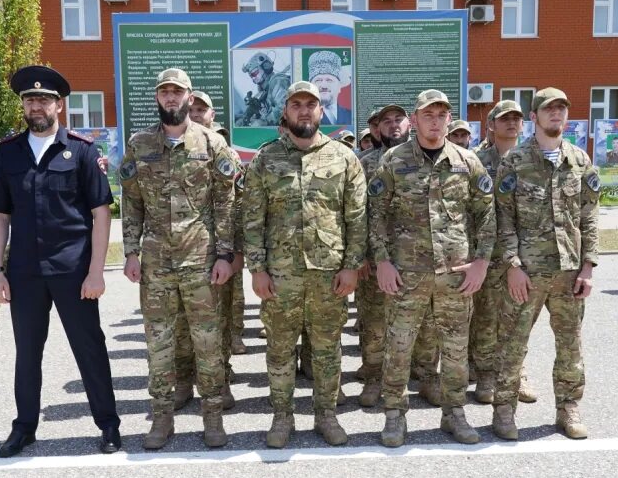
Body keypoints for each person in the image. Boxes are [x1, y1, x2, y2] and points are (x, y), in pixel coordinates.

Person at [0, 65, 121, 457]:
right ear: (24, 107)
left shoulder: (81, 150)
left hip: (73, 270)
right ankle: (24, 427)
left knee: (89, 348)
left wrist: (96, 271)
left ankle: (109, 425)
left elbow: (100, 213)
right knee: (27, 352)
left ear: (59, 105)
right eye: (30, 100)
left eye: (44, 99)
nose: (36, 106)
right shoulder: (9, 153)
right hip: (25, 273)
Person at [243, 81, 367, 448]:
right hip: (280, 276)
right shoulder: (267, 160)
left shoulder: (344, 158)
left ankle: (326, 415)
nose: (304, 110)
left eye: (310, 104)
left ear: (321, 111)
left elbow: (356, 217)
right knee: (280, 348)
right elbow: (252, 219)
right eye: (296, 104)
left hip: (329, 275)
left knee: (327, 349)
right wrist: (257, 269)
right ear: (285, 112)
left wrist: (352, 267)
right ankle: (282, 418)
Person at [369, 89, 495, 447]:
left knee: (455, 349)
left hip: (456, 275)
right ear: (415, 118)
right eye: (428, 115)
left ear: (448, 119)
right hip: (406, 275)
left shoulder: (467, 161)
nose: (435, 121)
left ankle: (454, 413)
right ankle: (395, 416)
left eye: (441, 115)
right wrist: (381, 261)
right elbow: (375, 215)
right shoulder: (394, 161)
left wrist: (481, 263)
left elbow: (486, 214)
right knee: (399, 347)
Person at [119, 69, 237, 449]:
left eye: (178, 92)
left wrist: (225, 255)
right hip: (155, 264)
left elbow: (226, 203)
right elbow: (132, 203)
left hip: (201, 262)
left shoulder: (212, 144)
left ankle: (213, 418)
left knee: (208, 342)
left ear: (189, 97)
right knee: (159, 344)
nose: (171, 98)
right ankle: (161, 419)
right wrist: (131, 252)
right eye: (165, 92)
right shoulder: (139, 145)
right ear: (158, 98)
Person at [491, 88, 599, 441]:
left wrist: (588, 267)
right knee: (512, 343)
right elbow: (501, 218)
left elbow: (589, 217)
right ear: (534, 117)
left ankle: (568, 408)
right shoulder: (515, 162)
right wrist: (512, 265)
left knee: (570, 344)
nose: (556, 114)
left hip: (569, 272)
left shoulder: (580, 161)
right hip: (527, 273)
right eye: (549, 109)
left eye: (561, 109)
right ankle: (504, 411)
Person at [356, 103, 442, 409]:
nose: (393, 125)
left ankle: (427, 376)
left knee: (427, 324)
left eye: (398, 119)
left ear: (410, 123)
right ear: (377, 129)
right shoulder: (364, 163)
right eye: (385, 122)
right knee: (375, 323)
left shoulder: (428, 159)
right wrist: (363, 256)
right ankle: (374, 378)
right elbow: (358, 214)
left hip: (420, 261)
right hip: (379, 260)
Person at [173, 88, 241, 413]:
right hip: (180, 256)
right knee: (180, 325)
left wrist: (232, 252)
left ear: (212, 115)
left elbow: (236, 204)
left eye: (203, 109)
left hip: (216, 254)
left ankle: (220, 380)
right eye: (194, 108)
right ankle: (184, 382)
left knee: (219, 323)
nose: (198, 113)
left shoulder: (223, 151)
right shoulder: (173, 147)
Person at [471, 100, 537, 405]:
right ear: (491, 125)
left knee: (518, 318)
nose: (512, 123)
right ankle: (485, 376)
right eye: (504, 118)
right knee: (485, 317)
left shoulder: (532, 160)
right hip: (486, 252)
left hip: (524, 255)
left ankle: (516, 373)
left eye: (516, 118)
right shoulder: (475, 161)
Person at [236, 52, 291, 127]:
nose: (253, 78)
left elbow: (284, 109)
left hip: (283, 131)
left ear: (266, 66)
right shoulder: (263, 91)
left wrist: (265, 121)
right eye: (251, 76)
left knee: (257, 125)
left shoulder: (278, 81)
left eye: (254, 73)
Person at [308, 51, 352, 126]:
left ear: (339, 87)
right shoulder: (305, 117)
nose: (324, 86)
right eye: (318, 80)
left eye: (329, 80)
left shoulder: (351, 115)